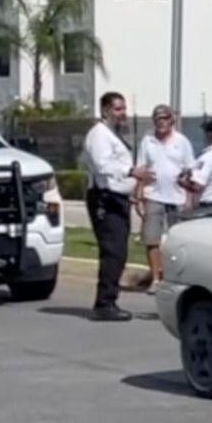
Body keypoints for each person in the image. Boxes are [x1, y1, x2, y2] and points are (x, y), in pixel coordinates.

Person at [81, 91, 152, 321]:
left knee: (119, 251)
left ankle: (108, 299)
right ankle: (105, 303)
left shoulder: (113, 134)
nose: (123, 113)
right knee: (113, 251)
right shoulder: (99, 134)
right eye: (118, 109)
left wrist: (129, 190)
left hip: (117, 197)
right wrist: (132, 172)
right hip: (105, 199)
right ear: (105, 111)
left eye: (124, 109)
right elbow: (103, 166)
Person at [134, 104, 195, 290]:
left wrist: (190, 196)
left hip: (177, 197)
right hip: (154, 195)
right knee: (152, 239)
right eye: (157, 119)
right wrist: (138, 196)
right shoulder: (147, 141)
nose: (161, 123)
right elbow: (141, 169)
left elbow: (190, 169)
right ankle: (155, 278)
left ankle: (176, 277)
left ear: (171, 120)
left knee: (178, 241)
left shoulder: (182, 141)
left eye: (164, 119)